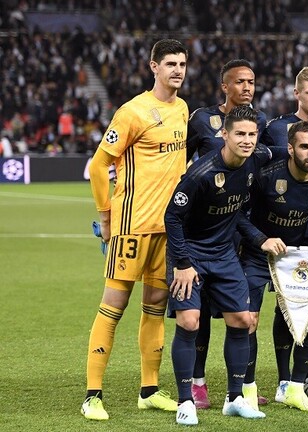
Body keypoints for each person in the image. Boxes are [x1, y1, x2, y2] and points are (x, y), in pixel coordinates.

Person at [81, 38, 188, 421]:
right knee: (113, 306)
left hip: (167, 229)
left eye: (182, 64)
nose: (178, 70)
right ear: (153, 67)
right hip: (131, 226)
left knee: (155, 308)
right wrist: (106, 216)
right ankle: (93, 395)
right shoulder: (132, 112)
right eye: (171, 64)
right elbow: (98, 165)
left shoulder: (182, 109)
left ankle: (149, 390)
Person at [165, 106, 268, 425]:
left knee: (242, 320)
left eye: (252, 134)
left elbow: (285, 151)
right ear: (224, 134)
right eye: (240, 134)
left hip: (224, 254)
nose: (247, 140)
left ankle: (234, 398)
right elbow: (172, 217)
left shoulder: (255, 159)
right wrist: (182, 263)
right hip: (190, 254)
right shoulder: (200, 174)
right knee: (190, 322)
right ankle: (185, 402)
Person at [183, 59, 272, 409]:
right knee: (201, 311)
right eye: (239, 82)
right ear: (225, 86)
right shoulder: (202, 119)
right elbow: (180, 162)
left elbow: (269, 160)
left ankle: (245, 386)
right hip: (207, 229)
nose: (247, 87)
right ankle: (198, 383)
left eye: (251, 81)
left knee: (247, 311)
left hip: (243, 226)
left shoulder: (260, 121)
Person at [241, 121, 308, 412]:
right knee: (248, 320)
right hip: (257, 255)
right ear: (290, 149)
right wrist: (261, 239)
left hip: (292, 258)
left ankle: (294, 389)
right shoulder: (267, 176)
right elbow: (238, 214)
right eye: (304, 147)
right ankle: (247, 390)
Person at [259, 66, 308, 399]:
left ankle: (304, 378)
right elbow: (262, 165)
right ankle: (284, 379)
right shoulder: (277, 129)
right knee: (285, 307)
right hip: (281, 231)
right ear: (297, 94)